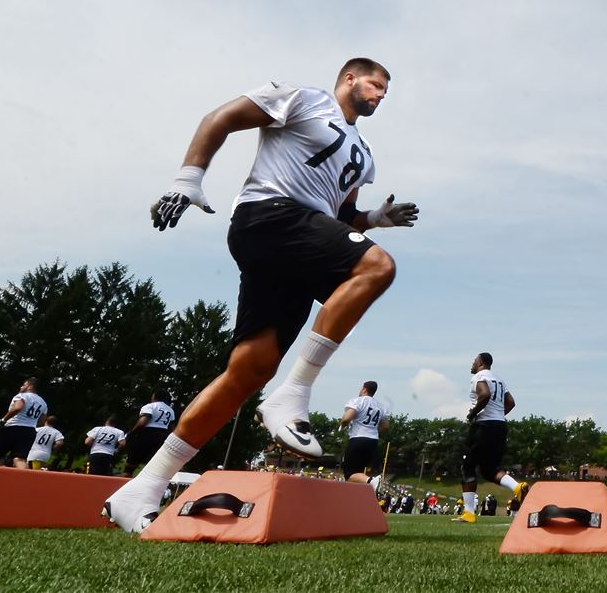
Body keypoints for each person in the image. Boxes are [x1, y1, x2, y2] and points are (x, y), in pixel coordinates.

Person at [104, 58, 417, 531]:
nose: (380, 95)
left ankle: (141, 490)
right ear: (349, 78)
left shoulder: (364, 154)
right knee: (377, 267)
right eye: (375, 84)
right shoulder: (304, 97)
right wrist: (187, 180)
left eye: (386, 92)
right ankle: (292, 394)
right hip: (268, 215)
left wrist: (374, 220)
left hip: (296, 241)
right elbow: (220, 118)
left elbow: (337, 216)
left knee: (248, 370)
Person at [452, 352, 528, 524]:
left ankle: (469, 513)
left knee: (467, 466)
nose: (472, 364)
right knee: (489, 469)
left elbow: (484, 394)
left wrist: (472, 414)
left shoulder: (479, 376)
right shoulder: (500, 379)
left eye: (474, 361)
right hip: (500, 426)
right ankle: (517, 487)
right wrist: (498, 416)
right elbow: (511, 402)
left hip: (484, 426)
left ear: (480, 362)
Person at [0, 378, 47, 469]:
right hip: (30, 431)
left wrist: (3, 420)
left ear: (30, 387)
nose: (21, 386)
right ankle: (25, 481)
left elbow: (18, 408)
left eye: (24, 384)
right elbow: (41, 422)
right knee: (19, 459)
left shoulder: (22, 396)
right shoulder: (43, 403)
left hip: (13, 427)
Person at [340, 380, 390, 489]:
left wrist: (343, 424)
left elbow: (346, 418)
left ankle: (371, 481)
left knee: (349, 474)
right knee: (358, 472)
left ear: (364, 389)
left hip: (358, 439)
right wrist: (374, 431)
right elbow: (385, 426)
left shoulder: (357, 401)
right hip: (373, 441)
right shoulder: (380, 406)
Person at [125, 390, 176, 476]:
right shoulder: (170, 410)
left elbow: (142, 422)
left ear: (154, 396)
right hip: (163, 437)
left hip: (147, 435)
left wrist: (131, 433)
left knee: (130, 467)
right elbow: (171, 428)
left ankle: (123, 483)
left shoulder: (150, 406)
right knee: (154, 468)